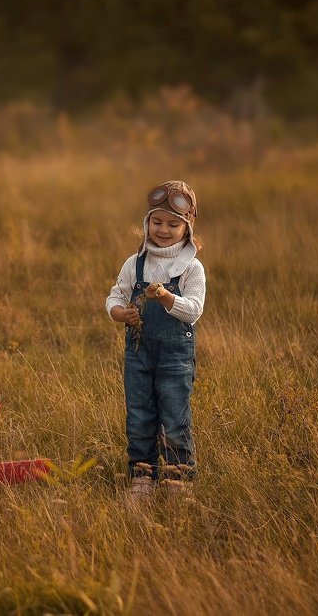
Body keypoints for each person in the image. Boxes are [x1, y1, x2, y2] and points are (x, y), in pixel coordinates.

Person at [105, 180, 206, 499]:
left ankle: (178, 481)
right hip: (138, 354)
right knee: (139, 414)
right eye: (157, 222)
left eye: (173, 224)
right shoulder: (135, 264)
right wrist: (121, 313)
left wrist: (165, 298)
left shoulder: (191, 268)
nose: (164, 229)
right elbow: (115, 296)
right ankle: (142, 478)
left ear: (186, 229)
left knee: (175, 417)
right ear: (147, 223)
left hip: (174, 358)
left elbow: (194, 310)